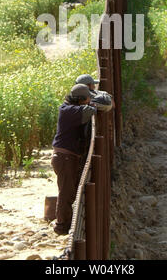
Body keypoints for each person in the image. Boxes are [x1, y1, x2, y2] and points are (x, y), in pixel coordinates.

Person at [51, 84, 97, 235]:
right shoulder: (68, 111)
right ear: (81, 99)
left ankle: (65, 223)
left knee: (68, 192)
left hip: (66, 157)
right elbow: (90, 111)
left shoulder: (69, 108)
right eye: (88, 98)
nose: (89, 100)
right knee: (66, 193)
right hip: (65, 158)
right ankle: (61, 226)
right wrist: (97, 102)